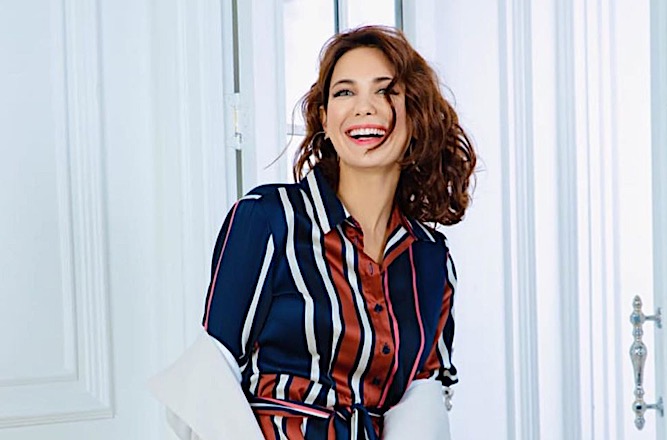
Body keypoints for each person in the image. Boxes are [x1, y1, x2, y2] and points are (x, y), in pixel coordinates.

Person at [151, 25, 476, 440]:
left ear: (416, 115)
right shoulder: (269, 219)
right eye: (345, 92)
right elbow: (212, 374)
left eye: (385, 91)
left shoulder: (430, 259)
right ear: (324, 118)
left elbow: (423, 398)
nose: (364, 107)